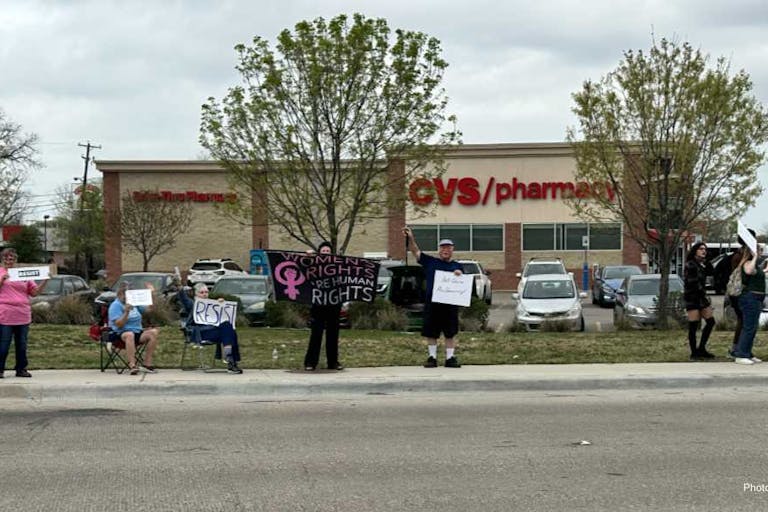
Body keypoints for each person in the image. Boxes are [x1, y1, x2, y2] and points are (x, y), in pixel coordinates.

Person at [403, 227, 464, 368]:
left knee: (450, 333)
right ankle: (432, 357)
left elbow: (463, 283)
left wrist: (459, 273)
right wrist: (410, 237)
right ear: (439, 250)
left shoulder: (457, 265)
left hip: (450, 305)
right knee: (431, 332)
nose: (445, 250)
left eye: (448, 248)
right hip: (433, 304)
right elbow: (415, 251)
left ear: (452, 250)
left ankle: (450, 358)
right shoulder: (430, 262)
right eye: (443, 248)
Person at [0, 248, 47, 378]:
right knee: (4, 343)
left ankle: (21, 369)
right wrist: (2, 280)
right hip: (5, 314)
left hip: (22, 313)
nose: (9, 261)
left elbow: (34, 292)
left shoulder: (21, 274)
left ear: (16, 260)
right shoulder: (0, 272)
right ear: (2, 259)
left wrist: (45, 281)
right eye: (6, 258)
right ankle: (0, 369)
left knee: (22, 344)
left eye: (12, 258)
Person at [177, 283, 242, 374]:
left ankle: (230, 359)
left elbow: (222, 317)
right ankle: (231, 362)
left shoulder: (212, 304)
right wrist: (180, 287)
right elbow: (183, 298)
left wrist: (221, 304)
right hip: (201, 333)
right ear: (196, 294)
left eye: (206, 292)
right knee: (230, 331)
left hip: (214, 331)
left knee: (229, 328)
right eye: (201, 292)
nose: (204, 294)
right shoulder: (193, 304)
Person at [304, 241, 343, 371]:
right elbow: (303, 269)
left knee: (333, 335)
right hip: (318, 305)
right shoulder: (314, 265)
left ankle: (333, 362)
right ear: (319, 253)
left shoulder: (337, 265)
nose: (325, 253)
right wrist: (308, 258)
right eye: (323, 251)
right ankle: (310, 362)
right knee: (316, 334)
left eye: (327, 251)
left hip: (334, 305)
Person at [108, 281, 160, 375]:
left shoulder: (134, 303)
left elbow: (149, 310)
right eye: (127, 294)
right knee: (129, 335)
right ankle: (132, 365)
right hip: (120, 334)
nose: (128, 297)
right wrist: (126, 312)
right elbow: (119, 324)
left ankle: (147, 364)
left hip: (137, 332)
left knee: (153, 332)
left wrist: (151, 294)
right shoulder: (115, 305)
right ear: (120, 293)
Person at [732, 244, 766, 365]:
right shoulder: (747, 262)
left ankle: (747, 353)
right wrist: (755, 256)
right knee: (749, 327)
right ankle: (740, 355)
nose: (761, 251)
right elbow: (749, 271)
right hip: (749, 298)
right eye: (758, 249)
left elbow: (758, 273)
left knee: (752, 327)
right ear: (751, 251)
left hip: (756, 298)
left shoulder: (755, 264)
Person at [726, 229, 757, 358]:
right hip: (740, 293)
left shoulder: (744, 254)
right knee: (743, 321)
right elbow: (745, 273)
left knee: (744, 321)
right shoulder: (740, 256)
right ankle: (737, 349)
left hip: (742, 293)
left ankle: (739, 348)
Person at [683, 242, 716, 360]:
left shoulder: (701, 264)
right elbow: (693, 282)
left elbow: (711, 272)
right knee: (694, 325)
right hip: (693, 297)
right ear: (695, 250)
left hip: (701, 298)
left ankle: (701, 348)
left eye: (705, 249)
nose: (704, 251)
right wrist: (703, 294)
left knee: (710, 321)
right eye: (701, 249)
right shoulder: (691, 265)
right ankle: (694, 352)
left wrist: (707, 262)